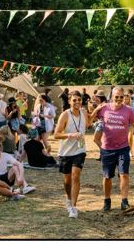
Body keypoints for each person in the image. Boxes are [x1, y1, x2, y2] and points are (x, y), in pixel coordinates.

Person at [95, 87, 134, 214]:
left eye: (121, 97)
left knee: (124, 174)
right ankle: (107, 201)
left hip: (123, 148)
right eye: (117, 97)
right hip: (107, 149)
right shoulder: (104, 108)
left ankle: (124, 202)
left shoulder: (129, 110)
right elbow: (91, 120)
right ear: (112, 97)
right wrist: (96, 109)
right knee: (107, 177)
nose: (119, 99)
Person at [53, 91, 88, 219]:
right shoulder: (65, 115)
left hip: (80, 150)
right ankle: (68, 198)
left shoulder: (84, 113)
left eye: (79, 100)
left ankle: (73, 206)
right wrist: (71, 135)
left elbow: (88, 123)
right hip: (66, 152)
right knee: (67, 181)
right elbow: (56, 134)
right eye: (74, 100)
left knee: (75, 176)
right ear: (69, 101)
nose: (77, 102)